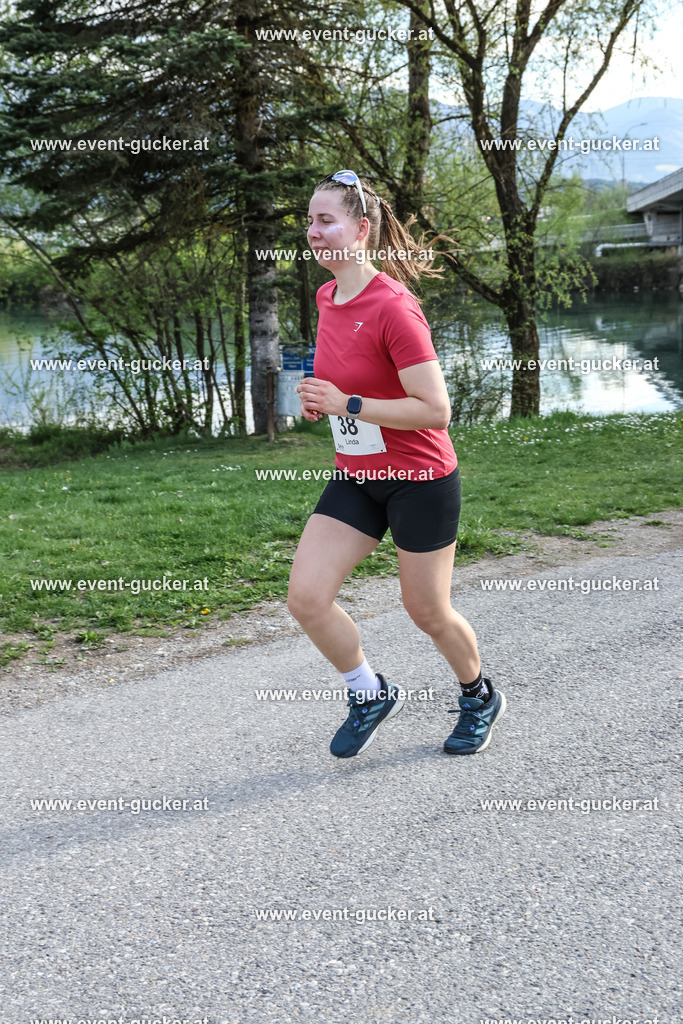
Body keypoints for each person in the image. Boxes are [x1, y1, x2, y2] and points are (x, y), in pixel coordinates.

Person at [287, 169, 506, 759]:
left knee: (426, 609)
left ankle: (479, 693)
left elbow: (437, 409)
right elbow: (347, 378)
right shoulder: (327, 296)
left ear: (361, 231)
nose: (313, 231)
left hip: (418, 479)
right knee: (306, 597)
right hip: (358, 475)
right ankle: (368, 692)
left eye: (325, 221)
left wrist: (349, 403)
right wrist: (323, 400)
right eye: (309, 220)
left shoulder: (395, 308)